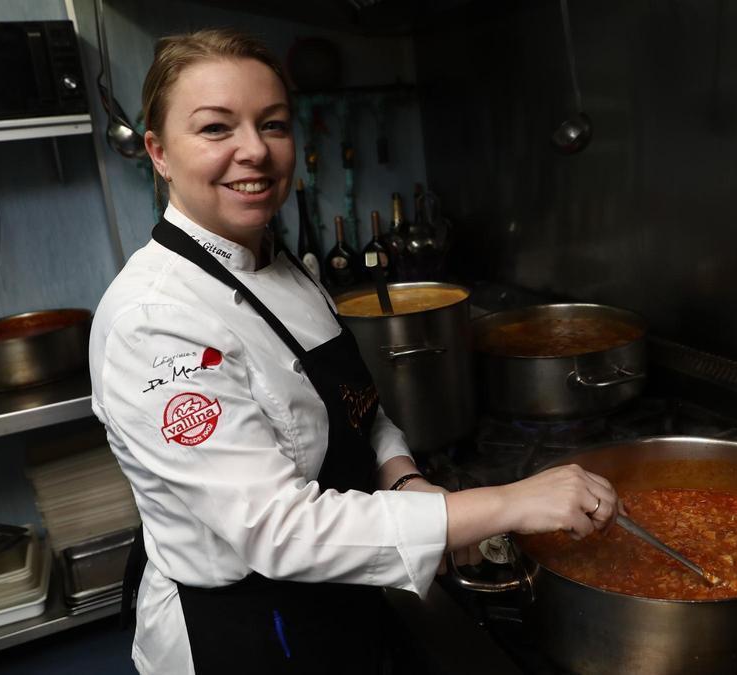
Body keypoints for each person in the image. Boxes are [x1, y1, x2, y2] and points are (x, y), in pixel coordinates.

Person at [88, 28, 620, 675]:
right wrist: (507, 502)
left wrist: (405, 478)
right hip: (243, 628)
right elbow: (275, 529)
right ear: (158, 151)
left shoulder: (287, 269)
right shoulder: (155, 321)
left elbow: (359, 413)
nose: (253, 150)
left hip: (340, 598)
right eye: (215, 128)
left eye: (273, 124)